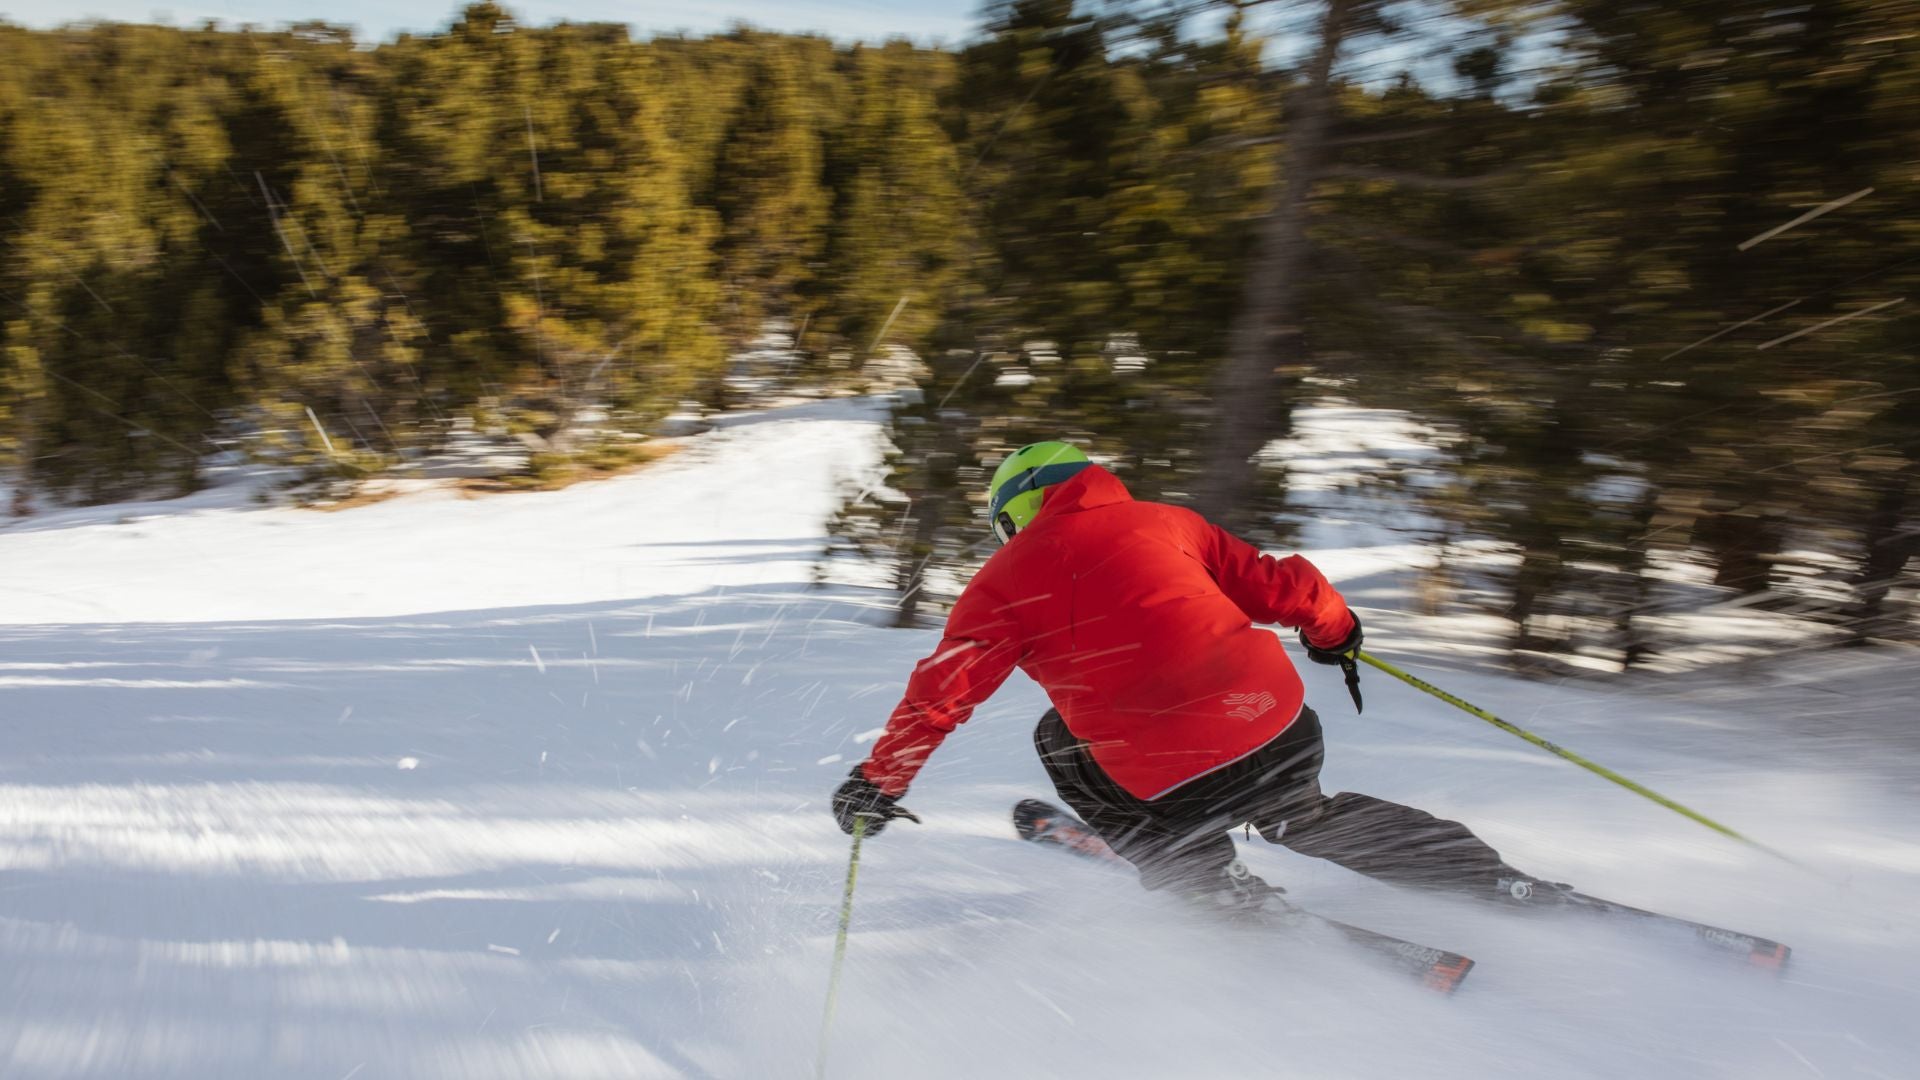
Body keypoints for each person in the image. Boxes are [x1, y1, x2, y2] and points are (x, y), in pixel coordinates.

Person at [831, 441, 1560, 908]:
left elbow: (940, 695)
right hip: (1275, 725)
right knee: (1302, 813)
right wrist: (1336, 635)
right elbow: (1289, 588)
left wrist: (879, 783)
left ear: (1016, 513)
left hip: (1166, 770)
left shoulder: (1000, 582)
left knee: (1059, 739)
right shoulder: (1169, 523)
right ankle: (1490, 879)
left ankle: (1210, 888)